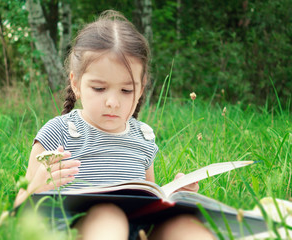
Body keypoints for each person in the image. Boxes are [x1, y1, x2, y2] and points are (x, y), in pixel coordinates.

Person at [14, 10, 215, 240]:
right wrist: (36, 188)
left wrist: (173, 197)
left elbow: (148, 200)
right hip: (82, 229)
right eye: (99, 88)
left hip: (136, 230)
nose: (112, 103)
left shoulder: (143, 137)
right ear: (76, 84)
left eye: (126, 90)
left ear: (141, 88)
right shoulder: (58, 133)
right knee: (109, 215)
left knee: (186, 228)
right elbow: (17, 213)